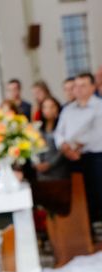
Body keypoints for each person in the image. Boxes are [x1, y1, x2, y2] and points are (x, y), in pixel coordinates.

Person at [55, 72, 102, 224]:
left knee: (98, 193)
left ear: (93, 87)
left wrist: (75, 146)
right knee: (80, 196)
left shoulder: (99, 106)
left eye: (83, 85)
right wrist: (64, 146)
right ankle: (86, 228)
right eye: (76, 86)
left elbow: (96, 133)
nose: (79, 89)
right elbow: (59, 132)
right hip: (71, 158)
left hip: (95, 157)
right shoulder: (68, 109)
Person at [35, 97, 69, 181]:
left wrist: (49, 164)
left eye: (51, 107)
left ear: (57, 108)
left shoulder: (62, 126)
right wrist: (36, 163)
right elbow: (32, 147)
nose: (48, 110)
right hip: (40, 172)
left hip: (58, 171)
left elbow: (63, 149)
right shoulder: (37, 127)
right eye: (45, 107)